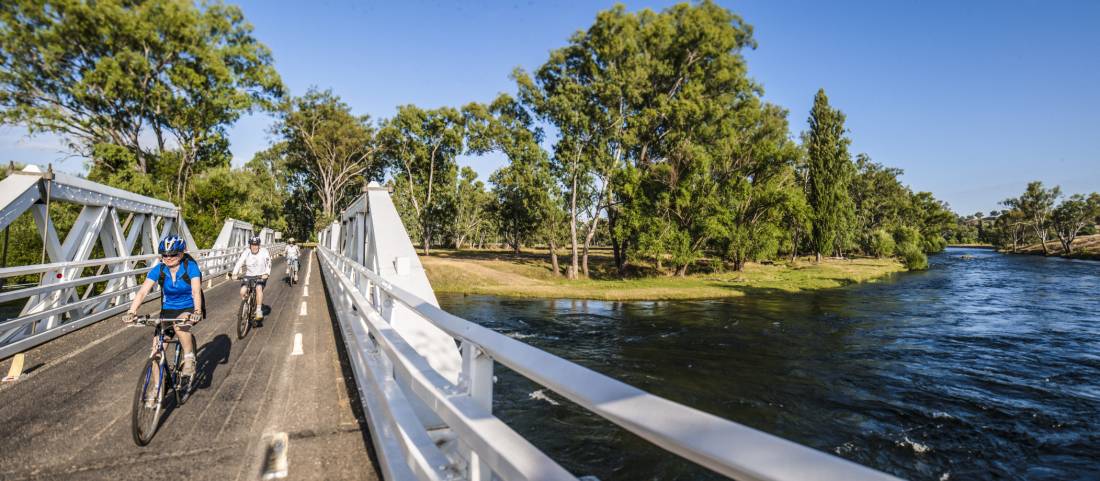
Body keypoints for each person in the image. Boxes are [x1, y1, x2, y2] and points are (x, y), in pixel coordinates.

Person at [123, 235, 202, 377]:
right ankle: (156, 390)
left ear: (181, 253)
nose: (168, 257)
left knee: (179, 326)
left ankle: (189, 358)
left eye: (173, 254)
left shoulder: (190, 267)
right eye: (164, 255)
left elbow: (196, 291)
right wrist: (132, 311)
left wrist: (197, 310)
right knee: (155, 353)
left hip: (188, 308)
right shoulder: (159, 269)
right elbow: (142, 292)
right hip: (167, 310)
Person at [232, 235, 271, 322]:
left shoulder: (264, 251)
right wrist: (234, 273)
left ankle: (258, 310)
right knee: (242, 291)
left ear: (259, 245)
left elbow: (268, 262)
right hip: (249, 275)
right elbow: (240, 262)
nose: (254, 247)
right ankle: (246, 304)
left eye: (256, 245)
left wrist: (267, 273)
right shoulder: (247, 252)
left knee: (258, 288)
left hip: (261, 275)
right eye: (252, 245)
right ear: (250, 245)